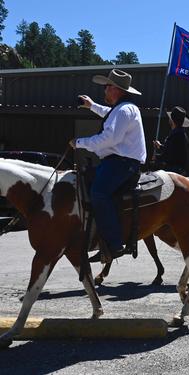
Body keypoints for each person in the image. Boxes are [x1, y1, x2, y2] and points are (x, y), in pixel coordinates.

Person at [70, 69, 146, 261]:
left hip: (122, 163)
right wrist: (91, 106)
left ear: (116, 89)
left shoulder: (124, 110)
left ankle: (114, 245)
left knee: (99, 193)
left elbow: (110, 138)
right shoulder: (122, 109)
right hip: (119, 162)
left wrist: (80, 143)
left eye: (106, 87)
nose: (104, 90)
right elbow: (108, 114)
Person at [152, 106, 189, 174]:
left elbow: (169, 155)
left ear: (172, 120)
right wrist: (160, 146)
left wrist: (157, 157)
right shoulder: (179, 133)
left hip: (174, 170)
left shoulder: (177, 135)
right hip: (177, 169)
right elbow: (172, 150)